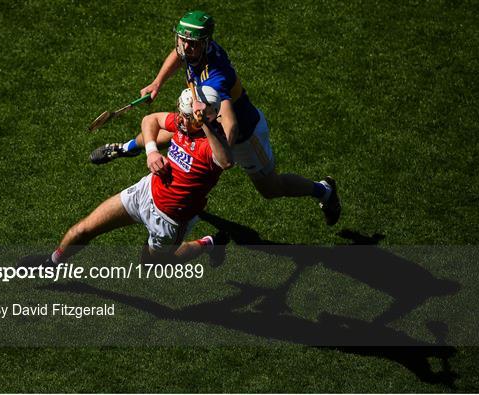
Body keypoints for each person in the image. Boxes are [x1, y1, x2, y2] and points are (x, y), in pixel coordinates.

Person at [89, 10, 341, 226]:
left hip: (244, 136)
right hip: (204, 121)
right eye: (183, 40)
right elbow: (179, 54)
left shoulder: (216, 79)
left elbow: (230, 125)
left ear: (205, 43)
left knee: (271, 189)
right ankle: (125, 149)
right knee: (160, 132)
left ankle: (324, 191)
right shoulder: (193, 49)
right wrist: (157, 83)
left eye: (192, 43)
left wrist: (217, 148)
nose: (186, 47)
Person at [21, 86, 232, 268]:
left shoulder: (212, 145)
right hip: (144, 192)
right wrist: (151, 151)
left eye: (185, 116)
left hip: (169, 221)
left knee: (151, 264)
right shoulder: (182, 124)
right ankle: (51, 263)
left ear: (203, 118)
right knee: (84, 229)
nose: (178, 118)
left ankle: (209, 243)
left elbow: (225, 162)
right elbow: (151, 119)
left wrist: (203, 123)